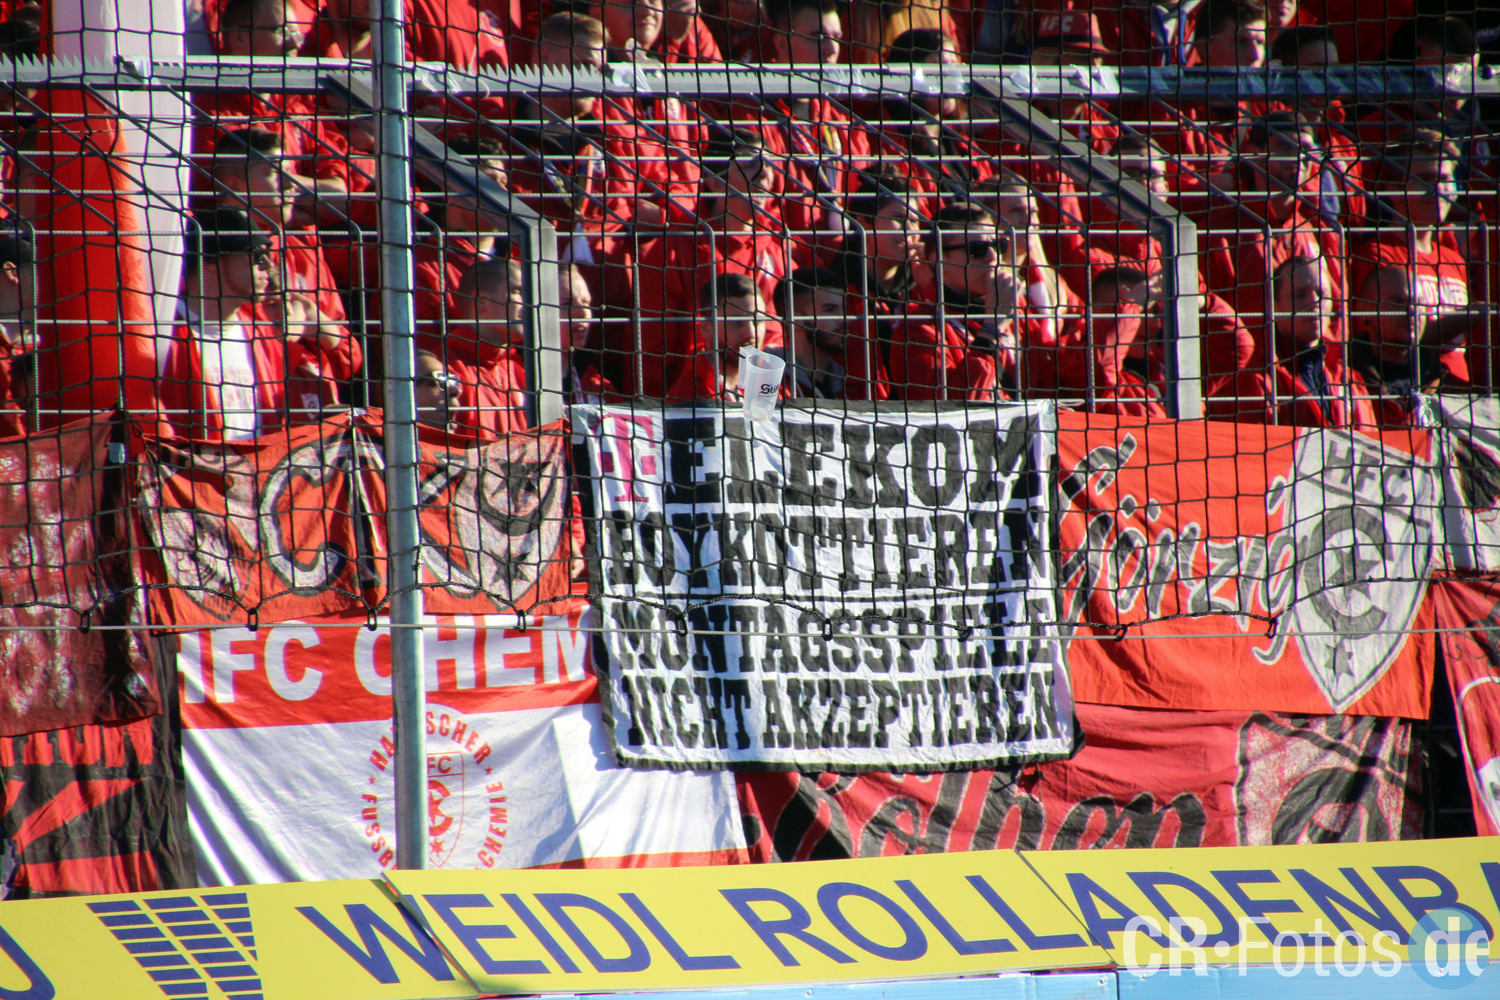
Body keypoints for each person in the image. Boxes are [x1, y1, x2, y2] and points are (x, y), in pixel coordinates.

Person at [160, 208, 340, 439]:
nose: (267, 264)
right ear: (211, 261)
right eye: (255, 253)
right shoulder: (160, 331)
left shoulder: (264, 338)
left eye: (267, 253)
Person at [1208, 254, 1371, 426]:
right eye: (1299, 295)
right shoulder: (1258, 381)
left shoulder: (1348, 379)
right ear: (1273, 305)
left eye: (1322, 294)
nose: (1314, 301)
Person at [888, 202, 1017, 401]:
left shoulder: (1017, 310)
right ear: (938, 262)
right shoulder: (916, 330)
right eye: (977, 249)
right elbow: (954, 407)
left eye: (998, 245)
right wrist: (991, 330)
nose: (992, 256)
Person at [441, 258, 529, 437]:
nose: (529, 304)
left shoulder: (517, 370)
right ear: (481, 301)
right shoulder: (449, 370)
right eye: (517, 292)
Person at [772, 267, 886, 399]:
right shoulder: (773, 386)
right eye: (830, 310)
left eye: (843, 308)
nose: (843, 319)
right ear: (796, 320)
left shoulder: (844, 385)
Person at [664, 272, 773, 401]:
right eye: (736, 322)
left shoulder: (768, 384)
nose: (751, 333)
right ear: (706, 329)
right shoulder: (690, 395)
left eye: (758, 322)